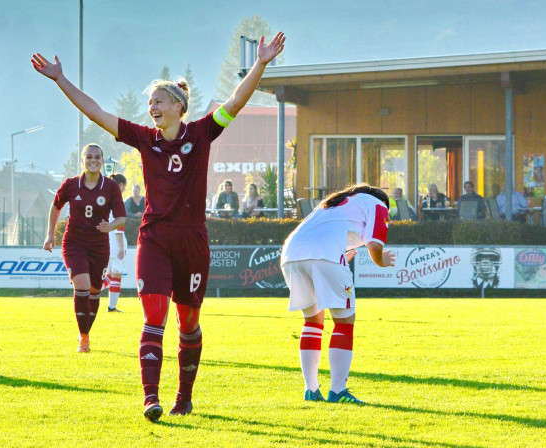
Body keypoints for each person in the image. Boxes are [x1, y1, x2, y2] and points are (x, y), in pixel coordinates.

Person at [32, 30, 285, 421]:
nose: (152, 107)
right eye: (149, 102)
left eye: (159, 101)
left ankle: (185, 396)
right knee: (154, 317)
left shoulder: (202, 132)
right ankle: (151, 398)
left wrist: (262, 62)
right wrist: (61, 79)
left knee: (189, 323)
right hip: (154, 240)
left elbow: (236, 100)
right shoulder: (144, 138)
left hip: (192, 243)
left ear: (179, 106)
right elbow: (96, 111)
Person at [280, 184, 396, 404]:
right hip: (324, 255)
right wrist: (382, 262)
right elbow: (374, 245)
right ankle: (338, 392)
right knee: (344, 322)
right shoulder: (378, 203)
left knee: (312, 321)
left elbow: (323, 233)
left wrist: (338, 256)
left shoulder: (331, 203)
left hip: (291, 255)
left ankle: (311, 390)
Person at [44, 144, 126, 353]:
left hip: (99, 246)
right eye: (89, 156)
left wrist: (111, 225)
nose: (93, 160)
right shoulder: (71, 185)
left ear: (102, 160)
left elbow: (121, 217)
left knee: (94, 291)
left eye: (97, 157)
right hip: (75, 243)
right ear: (82, 160)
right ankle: (84, 338)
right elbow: (55, 206)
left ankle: (86, 331)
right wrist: (50, 234)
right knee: (81, 286)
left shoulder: (111, 186)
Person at [104, 173, 128, 313]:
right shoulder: (118, 202)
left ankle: (88, 293)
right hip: (115, 244)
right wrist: (121, 247)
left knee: (109, 275)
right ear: (120, 185)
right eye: (124, 186)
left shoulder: (104, 200)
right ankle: (112, 307)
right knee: (116, 274)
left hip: (105, 242)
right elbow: (119, 228)